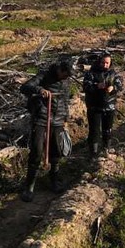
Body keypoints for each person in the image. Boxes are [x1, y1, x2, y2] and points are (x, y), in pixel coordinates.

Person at [20, 58, 74, 202]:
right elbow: (25, 87)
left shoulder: (66, 81)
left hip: (58, 120)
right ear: (60, 70)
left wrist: (65, 118)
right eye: (65, 74)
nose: (66, 77)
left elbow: (65, 100)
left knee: (56, 151)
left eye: (68, 75)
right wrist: (40, 90)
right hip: (41, 119)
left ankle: (54, 181)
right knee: (36, 152)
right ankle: (29, 187)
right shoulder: (44, 75)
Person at [82, 52, 123, 158]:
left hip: (109, 106)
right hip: (94, 106)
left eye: (107, 63)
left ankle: (106, 149)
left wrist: (113, 88)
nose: (105, 65)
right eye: (103, 62)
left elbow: (119, 84)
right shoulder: (91, 73)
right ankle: (93, 153)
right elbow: (86, 86)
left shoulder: (113, 73)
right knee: (94, 130)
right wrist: (97, 86)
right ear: (99, 62)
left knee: (107, 129)